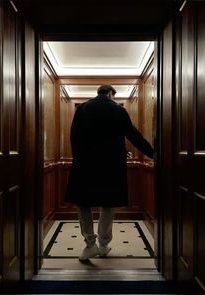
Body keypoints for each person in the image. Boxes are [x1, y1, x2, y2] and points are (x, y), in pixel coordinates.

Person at [65, 85, 154, 261]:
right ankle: (104, 244)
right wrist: (152, 153)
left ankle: (90, 245)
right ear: (111, 94)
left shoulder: (82, 108)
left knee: (83, 203)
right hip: (111, 166)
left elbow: (73, 136)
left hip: (85, 165)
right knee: (108, 204)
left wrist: (79, 159)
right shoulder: (118, 110)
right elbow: (133, 135)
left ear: (98, 93)